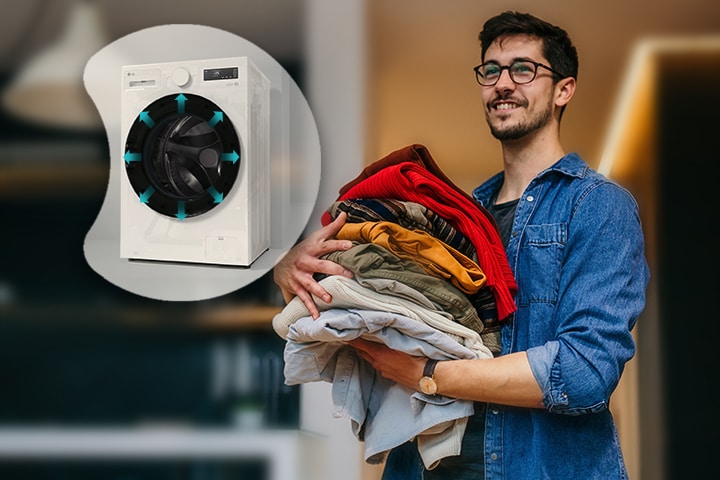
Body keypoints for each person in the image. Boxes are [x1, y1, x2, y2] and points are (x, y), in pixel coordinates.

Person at [273, 10, 650, 480]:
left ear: (563, 89)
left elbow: (584, 372)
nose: (502, 83)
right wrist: (290, 271)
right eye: (490, 71)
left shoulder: (598, 205)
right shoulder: (450, 219)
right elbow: (361, 310)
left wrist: (429, 373)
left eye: (523, 69)